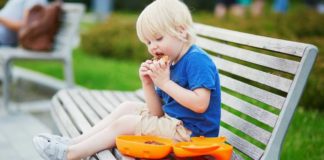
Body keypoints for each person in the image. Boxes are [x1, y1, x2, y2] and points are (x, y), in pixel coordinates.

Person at [32, 0, 221, 159]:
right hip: (174, 125)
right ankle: (73, 142)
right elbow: (156, 113)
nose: (153, 47)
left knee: (125, 123)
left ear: (181, 31)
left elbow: (200, 104)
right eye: (148, 42)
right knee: (127, 107)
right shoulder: (169, 63)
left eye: (158, 38)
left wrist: (165, 83)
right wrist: (148, 83)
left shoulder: (196, 59)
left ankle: (71, 154)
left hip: (193, 135)